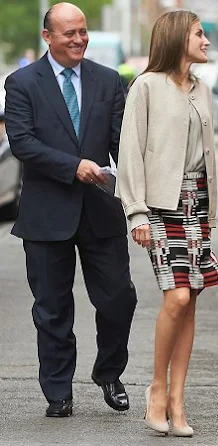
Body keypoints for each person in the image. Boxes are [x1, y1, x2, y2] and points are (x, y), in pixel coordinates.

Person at [3, 2, 137, 418]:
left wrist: (139, 192)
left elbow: (122, 145)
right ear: (48, 36)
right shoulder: (22, 82)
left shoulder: (109, 80)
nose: (79, 39)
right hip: (46, 215)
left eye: (83, 31)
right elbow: (22, 142)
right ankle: (58, 390)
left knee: (119, 300)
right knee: (52, 309)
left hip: (100, 211)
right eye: (69, 33)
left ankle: (109, 373)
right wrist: (72, 166)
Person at [115, 10, 218, 437]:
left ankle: (178, 400)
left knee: (190, 298)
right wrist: (136, 211)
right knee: (175, 298)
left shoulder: (202, 89)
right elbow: (130, 152)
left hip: (197, 202)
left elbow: (208, 158)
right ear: (179, 38)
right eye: (199, 34)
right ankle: (157, 390)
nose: (206, 41)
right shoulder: (145, 86)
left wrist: (210, 212)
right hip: (161, 205)